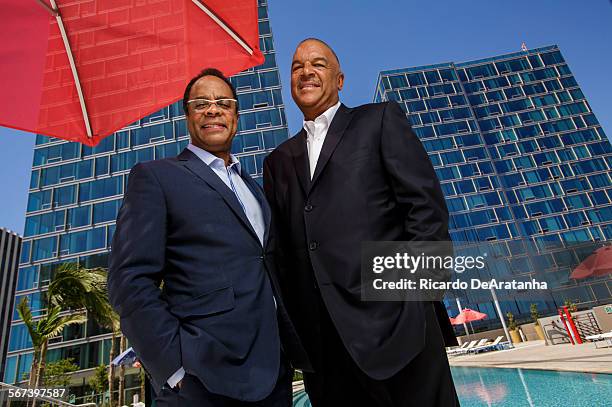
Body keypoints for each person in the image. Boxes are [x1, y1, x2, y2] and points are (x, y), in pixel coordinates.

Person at [263, 39, 459, 406]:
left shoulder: (379, 120)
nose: (306, 72)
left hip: (400, 330)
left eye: (318, 64)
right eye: (296, 66)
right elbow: (283, 256)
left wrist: (417, 299)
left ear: (339, 80)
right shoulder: (276, 163)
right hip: (325, 353)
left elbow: (426, 208)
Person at [108, 68, 311, 407]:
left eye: (223, 103)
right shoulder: (156, 177)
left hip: (274, 375)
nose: (213, 109)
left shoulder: (255, 188)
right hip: (202, 381)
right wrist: (174, 369)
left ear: (235, 114)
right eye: (201, 103)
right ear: (187, 116)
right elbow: (129, 279)